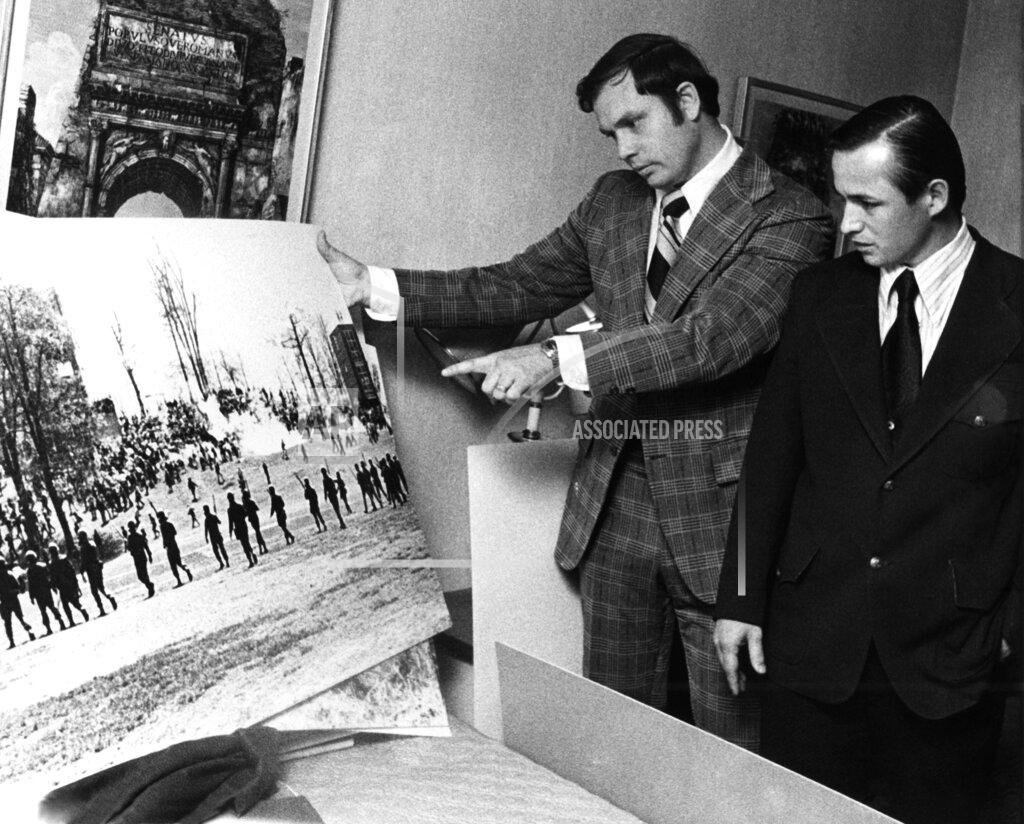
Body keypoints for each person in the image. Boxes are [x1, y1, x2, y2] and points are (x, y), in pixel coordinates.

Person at [317, 33, 832, 748]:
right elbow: (515, 285)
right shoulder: (614, 203)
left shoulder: (790, 215)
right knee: (612, 739)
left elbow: (710, 339)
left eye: (634, 124)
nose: (624, 149)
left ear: (688, 101)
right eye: (610, 133)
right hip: (612, 506)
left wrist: (554, 358)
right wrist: (375, 284)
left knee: (729, 752)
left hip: (724, 523)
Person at [713, 96, 1021, 824]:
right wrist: (740, 599)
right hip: (811, 645)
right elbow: (771, 457)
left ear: (934, 196)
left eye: (867, 203)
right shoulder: (819, 294)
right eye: (839, 198)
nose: (844, 223)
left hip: (953, 658)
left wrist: (1013, 629)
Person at [25, 550, 67, 632]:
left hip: (38, 594)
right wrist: (53, 587)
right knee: (52, 607)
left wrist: (31, 597)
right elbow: (49, 578)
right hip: (46, 591)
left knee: (43, 611)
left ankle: (49, 628)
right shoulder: (42, 566)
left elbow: (31, 585)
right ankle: (61, 622)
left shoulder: (30, 570)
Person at [77, 531, 116, 615]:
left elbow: (84, 561)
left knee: (94, 591)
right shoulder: (92, 543)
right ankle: (110, 596)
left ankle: (101, 609)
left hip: (91, 570)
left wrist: (82, 571)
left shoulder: (83, 548)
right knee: (101, 586)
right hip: (98, 566)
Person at [48, 545, 89, 626]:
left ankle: (71, 621)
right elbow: (72, 571)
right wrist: (75, 583)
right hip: (69, 583)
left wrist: (53, 586)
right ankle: (83, 611)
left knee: (65, 605)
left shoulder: (52, 563)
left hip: (61, 586)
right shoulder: (64, 559)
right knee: (75, 602)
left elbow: (52, 577)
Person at [0, 558, 35, 648]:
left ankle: (12, 642)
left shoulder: (9, 576)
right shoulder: (10, 575)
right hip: (13, 600)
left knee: (8, 623)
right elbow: (19, 588)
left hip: (5, 602)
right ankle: (30, 633)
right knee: (20, 619)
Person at [157, 512, 193, 586]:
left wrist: (164, 544)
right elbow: (175, 533)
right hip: (174, 545)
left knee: (173, 565)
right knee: (179, 562)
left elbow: (164, 537)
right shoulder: (170, 524)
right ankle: (186, 570)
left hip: (169, 547)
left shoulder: (162, 526)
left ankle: (179, 581)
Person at [226, 493, 257, 567]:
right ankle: (252, 553)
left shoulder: (230, 510)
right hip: (243, 525)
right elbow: (245, 514)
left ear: (228, 499)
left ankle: (250, 560)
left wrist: (230, 532)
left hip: (238, 528)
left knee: (244, 544)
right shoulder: (239, 506)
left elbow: (230, 522)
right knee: (247, 541)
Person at [126, 520, 155, 598]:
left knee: (143, 575)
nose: (131, 530)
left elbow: (146, 546)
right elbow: (130, 548)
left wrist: (150, 555)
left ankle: (150, 588)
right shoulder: (131, 537)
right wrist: (127, 546)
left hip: (141, 557)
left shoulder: (137, 537)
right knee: (140, 576)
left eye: (132, 528)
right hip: (137, 558)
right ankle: (150, 585)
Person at [203, 505, 229, 569]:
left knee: (216, 551)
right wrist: (216, 516)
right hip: (218, 534)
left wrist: (206, 537)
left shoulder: (206, 520)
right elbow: (219, 522)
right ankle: (227, 561)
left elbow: (206, 530)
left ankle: (221, 563)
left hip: (212, 537)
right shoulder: (213, 517)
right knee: (222, 548)